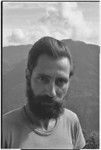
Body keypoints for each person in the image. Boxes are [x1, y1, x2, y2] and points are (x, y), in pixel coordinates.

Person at [2, 36, 85, 149]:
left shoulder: (72, 122)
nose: (52, 92)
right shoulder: (5, 129)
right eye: (43, 79)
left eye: (60, 81)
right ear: (28, 76)